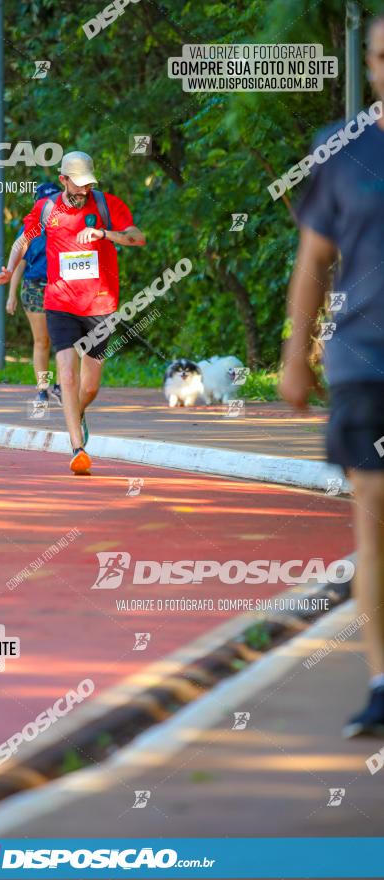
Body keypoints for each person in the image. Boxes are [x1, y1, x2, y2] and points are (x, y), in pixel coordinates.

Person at [280, 14, 384, 737]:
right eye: (383, 57)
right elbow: (312, 260)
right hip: (364, 364)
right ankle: (381, 683)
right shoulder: (340, 150)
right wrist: (294, 355)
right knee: (375, 526)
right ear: (372, 64)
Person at [0, 151, 146, 474]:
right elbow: (23, 240)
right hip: (59, 303)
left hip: (100, 304)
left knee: (90, 387)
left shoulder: (105, 205)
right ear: (63, 180)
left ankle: (79, 413)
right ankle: (78, 449)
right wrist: (9, 270)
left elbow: (137, 238)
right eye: (78, 185)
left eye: (89, 185)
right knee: (68, 376)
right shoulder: (47, 209)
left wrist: (106, 234)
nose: (84, 192)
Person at [6, 182, 62, 407]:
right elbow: (20, 262)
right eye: (44, 201)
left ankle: (61, 386)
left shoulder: (66, 224)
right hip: (35, 286)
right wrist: (11, 294)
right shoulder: (29, 228)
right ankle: (42, 389)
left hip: (62, 286)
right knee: (42, 340)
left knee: (63, 340)